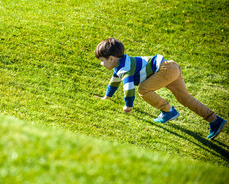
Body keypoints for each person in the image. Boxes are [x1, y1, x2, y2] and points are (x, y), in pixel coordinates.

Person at [94, 37, 227, 140]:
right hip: (171, 67)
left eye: (102, 60)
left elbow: (128, 88)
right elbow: (114, 81)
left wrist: (128, 106)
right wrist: (107, 96)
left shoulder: (124, 68)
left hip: (165, 70)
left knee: (143, 90)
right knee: (185, 98)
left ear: (111, 59)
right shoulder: (121, 65)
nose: (101, 64)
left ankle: (168, 111)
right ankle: (215, 120)